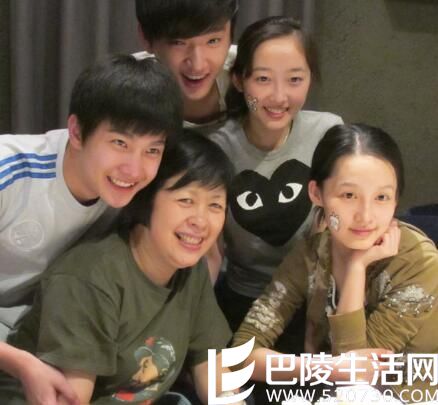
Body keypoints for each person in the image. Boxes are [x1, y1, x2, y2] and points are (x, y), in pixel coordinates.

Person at [0, 131, 241, 404]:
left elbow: (210, 365)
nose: (201, 220)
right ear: (147, 198)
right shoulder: (89, 278)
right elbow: (71, 399)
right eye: (186, 200)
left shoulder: (189, 268)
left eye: (215, 205)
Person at [0, 55, 183, 404]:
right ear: (76, 132)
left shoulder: (137, 194)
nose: (134, 169)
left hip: (40, 340)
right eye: (120, 143)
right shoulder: (9, 172)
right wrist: (21, 364)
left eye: (152, 150)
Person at [233, 123, 438, 402]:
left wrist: (355, 269)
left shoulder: (419, 262)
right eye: (349, 195)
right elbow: (242, 354)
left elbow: (357, 380)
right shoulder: (312, 252)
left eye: (382, 197)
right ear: (317, 193)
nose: (365, 216)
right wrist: (320, 368)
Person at [208, 16, 343, 337]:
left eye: (295, 79)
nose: (279, 97)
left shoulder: (328, 133)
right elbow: (209, 248)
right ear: (239, 80)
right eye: (263, 79)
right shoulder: (217, 147)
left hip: (314, 300)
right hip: (242, 302)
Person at [135, 0, 238, 135]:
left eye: (212, 41)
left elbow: (257, 107)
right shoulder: (123, 90)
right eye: (178, 43)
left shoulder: (252, 70)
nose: (198, 66)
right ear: (146, 38)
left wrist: (253, 108)